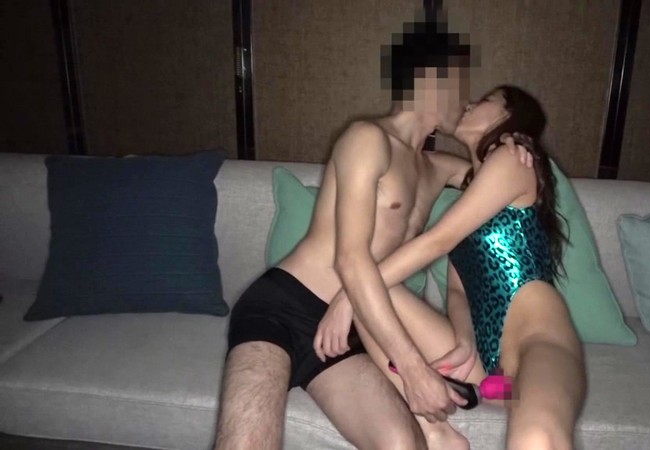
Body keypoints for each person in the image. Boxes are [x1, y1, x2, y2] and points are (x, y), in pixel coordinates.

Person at [213, 14, 533, 449]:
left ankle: (444, 426)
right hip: (283, 307)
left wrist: (513, 145)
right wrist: (413, 369)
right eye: (462, 87)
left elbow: (502, 190)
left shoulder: (439, 168)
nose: (466, 101)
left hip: (356, 329)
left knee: (403, 445)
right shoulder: (367, 139)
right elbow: (351, 258)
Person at [316, 85, 587, 450]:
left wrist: (345, 298)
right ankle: (436, 434)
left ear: (508, 117)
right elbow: (458, 291)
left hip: (540, 348)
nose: (469, 104)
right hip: (493, 380)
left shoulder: (512, 162)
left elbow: (437, 241)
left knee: (536, 438)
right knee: (374, 292)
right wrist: (464, 340)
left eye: (486, 100)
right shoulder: (473, 192)